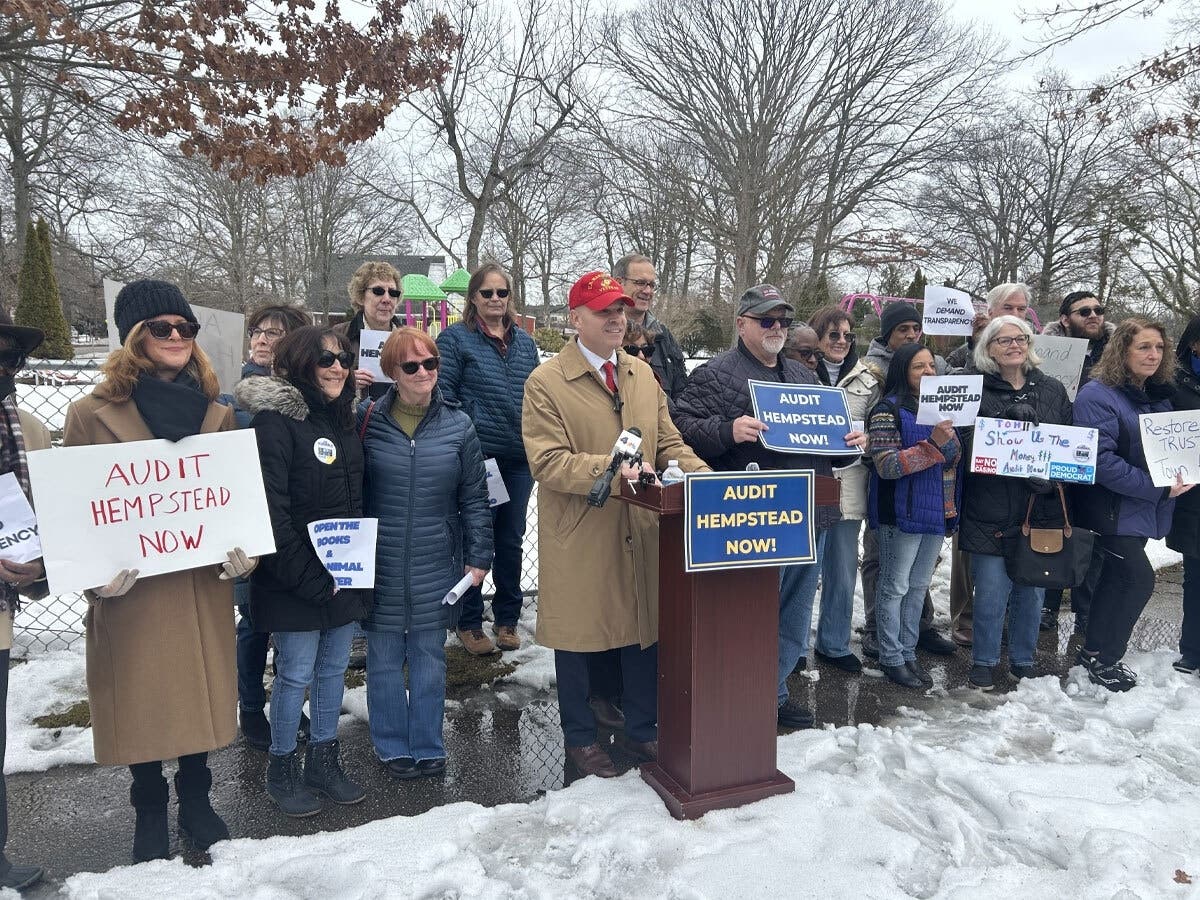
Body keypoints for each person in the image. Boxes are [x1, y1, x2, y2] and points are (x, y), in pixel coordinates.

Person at [63, 279, 255, 862]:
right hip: (131, 589)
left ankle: (196, 800)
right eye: (161, 328)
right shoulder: (89, 414)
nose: (176, 337)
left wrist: (242, 549)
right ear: (133, 338)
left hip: (197, 582)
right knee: (144, 695)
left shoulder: (218, 414)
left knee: (197, 690)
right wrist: (93, 574)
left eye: (185, 328)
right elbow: (75, 509)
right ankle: (148, 802)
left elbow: (230, 501)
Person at [523, 271, 707, 778]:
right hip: (582, 529)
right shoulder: (545, 383)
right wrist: (608, 468)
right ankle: (580, 737)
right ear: (574, 319)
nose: (616, 319)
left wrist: (707, 480)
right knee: (580, 637)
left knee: (639, 630)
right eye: (604, 311)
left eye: (620, 310)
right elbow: (547, 461)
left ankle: (642, 728)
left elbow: (667, 442)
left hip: (639, 525)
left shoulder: (643, 376)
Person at [674, 285, 865, 729]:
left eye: (782, 320)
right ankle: (738, 692)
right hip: (753, 518)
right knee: (751, 612)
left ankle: (771, 691)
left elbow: (824, 444)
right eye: (766, 320)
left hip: (810, 515)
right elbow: (679, 426)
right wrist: (726, 429)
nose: (776, 328)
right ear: (741, 323)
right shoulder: (714, 374)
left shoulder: (803, 377)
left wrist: (848, 446)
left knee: (794, 614)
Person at [237, 326, 371, 816]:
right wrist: (311, 578)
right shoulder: (273, 424)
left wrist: (355, 573)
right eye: (325, 359)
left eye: (342, 358)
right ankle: (283, 765)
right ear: (299, 364)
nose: (337, 367)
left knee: (334, 670)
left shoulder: (342, 420)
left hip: (343, 574)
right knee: (294, 675)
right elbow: (273, 513)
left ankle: (323, 759)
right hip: (294, 579)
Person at [359, 327, 493, 779]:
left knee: (429, 658)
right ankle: (391, 743)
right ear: (391, 372)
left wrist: (479, 556)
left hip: (438, 559)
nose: (423, 373)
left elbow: (475, 497)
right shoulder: (366, 422)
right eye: (411, 366)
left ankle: (428, 743)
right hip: (380, 561)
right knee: (382, 658)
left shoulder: (459, 425)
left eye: (430, 363)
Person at [1073, 318, 1193, 691]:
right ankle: (1106, 659)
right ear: (1121, 350)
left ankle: (1093, 652)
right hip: (1109, 508)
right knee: (1136, 580)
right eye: (1143, 347)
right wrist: (1157, 490)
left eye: (1159, 347)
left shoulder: (1156, 394)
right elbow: (1101, 460)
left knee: (1114, 580)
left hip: (1137, 511)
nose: (1153, 354)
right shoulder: (1098, 394)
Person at [957, 315, 1072, 690]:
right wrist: (1004, 423)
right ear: (988, 348)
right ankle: (984, 661)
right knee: (990, 592)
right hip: (989, 505)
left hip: (1038, 506)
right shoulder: (973, 390)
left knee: (1032, 589)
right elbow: (961, 446)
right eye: (1003, 340)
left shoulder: (1053, 390)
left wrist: (1053, 477)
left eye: (1020, 338)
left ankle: (1023, 660)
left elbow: (1070, 445)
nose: (1013, 345)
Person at [220, 303, 312, 752]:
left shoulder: (311, 397)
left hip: (295, 524)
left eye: (274, 334)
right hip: (248, 528)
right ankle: (252, 709)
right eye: (257, 331)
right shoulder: (227, 398)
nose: (261, 339)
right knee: (253, 623)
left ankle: (292, 705)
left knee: (293, 621)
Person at [437, 263, 540, 656]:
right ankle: (467, 619)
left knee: (511, 538)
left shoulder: (525, 343)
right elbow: (444, 394)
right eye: (487, 293)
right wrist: (471, 436)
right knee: (475, 539)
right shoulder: (456, 340)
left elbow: (536, 396)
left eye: (502, 293)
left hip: (518, 459)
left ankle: (508, 618)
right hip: (479, 458)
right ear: (473, 298)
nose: (495, 299)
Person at [860, 302, 958, 659]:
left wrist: (948, 443)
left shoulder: (940, 409)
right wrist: (932, 445)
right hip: (899, 513)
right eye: (919, 366)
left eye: (931, 365)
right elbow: (885, 465)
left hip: (932, 512)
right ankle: (890, 653)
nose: (928, 370)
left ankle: (908, 649)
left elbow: (951, 458)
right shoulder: (886, 409)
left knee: (918, 586)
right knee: (895, 585)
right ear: (904, 370)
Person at [0, 310, 49, 892]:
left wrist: (41, 563)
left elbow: (48, 523)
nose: (7, 368)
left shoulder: (29, 429)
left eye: (13, 358)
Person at [808, 306, 880, 672]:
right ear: (817, 335)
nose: (840, 341)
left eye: (847, 335)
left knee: (841, 569)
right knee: (804, 571)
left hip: (850, 485)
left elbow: (882, 428)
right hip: (810, 485)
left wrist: (868, 438)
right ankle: (790, 642)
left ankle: (834, 642)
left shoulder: (869, 379)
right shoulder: (798, 370)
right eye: (833, 334)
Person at [1040, 290, 1113, 632]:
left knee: (1092, 536)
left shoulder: (1116, 354)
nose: (1094, 315)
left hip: (1101, 452)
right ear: (1065, 318)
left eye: (1098, 310)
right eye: (1084, 311)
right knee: (1056, 528)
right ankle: (1048, 607)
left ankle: (1087, 611)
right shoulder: (1045, 351)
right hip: (1056, 449)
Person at [1167, 315, 1200, 674]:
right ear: (1194, 343)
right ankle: (1193, 650)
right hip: (1192, 491)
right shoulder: (1173, 383)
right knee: (1197, 573)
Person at [614, 254, 689, 400]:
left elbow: (681, 390)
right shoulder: (605, 334)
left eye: (652, 285)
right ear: (619, 283)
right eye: (640, 283)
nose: (648, 291)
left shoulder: (664, 336)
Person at [335, 260, 405, 401]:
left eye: (393, 293)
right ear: (361, 297)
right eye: (378, 291)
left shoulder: (410, 339)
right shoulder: (338, 335)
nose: (387, 299)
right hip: (355, 418)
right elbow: (320, 380)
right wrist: (347, 380)